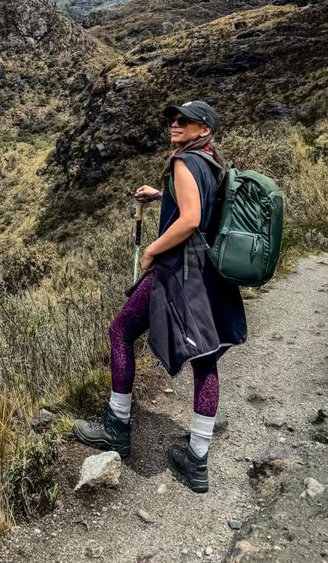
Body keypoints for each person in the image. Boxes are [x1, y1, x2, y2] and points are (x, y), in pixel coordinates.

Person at [72, 100, 247, 493]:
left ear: (203, 129)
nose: (175, 124)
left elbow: (191, 218)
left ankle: (116, 427)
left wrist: (151, 250)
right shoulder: (212, 162)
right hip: (209, 273)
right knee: (206, 359)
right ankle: (197, 459)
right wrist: (159, 194)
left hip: (177, 271)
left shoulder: (185, 162)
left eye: (184, 121)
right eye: (172, 118)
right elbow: (198, 203)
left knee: (119, 332)